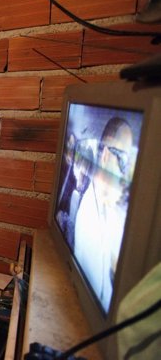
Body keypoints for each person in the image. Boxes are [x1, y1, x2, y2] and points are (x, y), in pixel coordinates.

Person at [74, 117, 134, 312]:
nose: (125, 175)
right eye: (124, 161)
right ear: (106, 155)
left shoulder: (107, 206)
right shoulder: (90, 219)